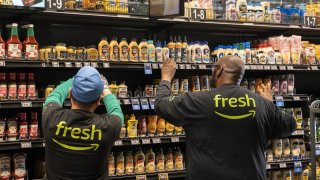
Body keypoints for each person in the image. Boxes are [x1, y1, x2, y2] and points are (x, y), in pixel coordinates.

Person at [155, 56, 296, 180]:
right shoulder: (261, 104)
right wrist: (270, 105)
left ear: (219, 70)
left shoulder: (199, 100)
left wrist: (166, 78)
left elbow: (162, 105)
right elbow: (290, 124)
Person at [42, 66, 124, 180]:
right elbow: (116, 111)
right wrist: (105, 89)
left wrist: (75, 79)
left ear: (70, 93)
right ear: (98, 100)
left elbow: (55, 95)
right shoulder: (110, 126)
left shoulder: (51, 117)